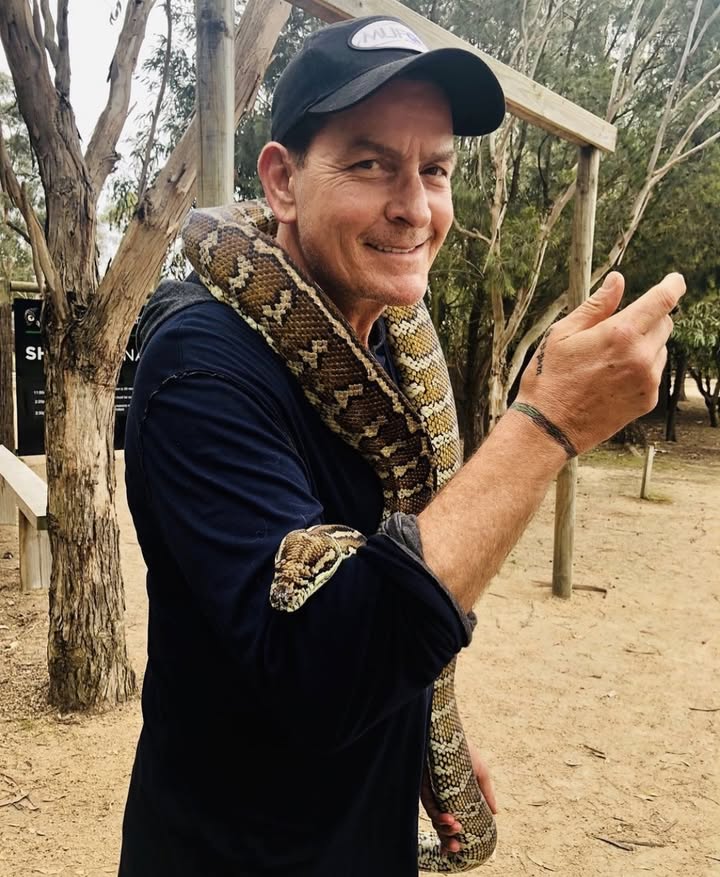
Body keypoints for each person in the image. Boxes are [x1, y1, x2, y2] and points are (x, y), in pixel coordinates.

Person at [118, 14, 684, 877]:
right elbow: (319, 664)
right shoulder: (200, 369)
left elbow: (390, 605)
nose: (414, 207)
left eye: (435, 170)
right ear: (281, 182)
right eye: (371, 164)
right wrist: (545, 426)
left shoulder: (383, 332)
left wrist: (416, 732)